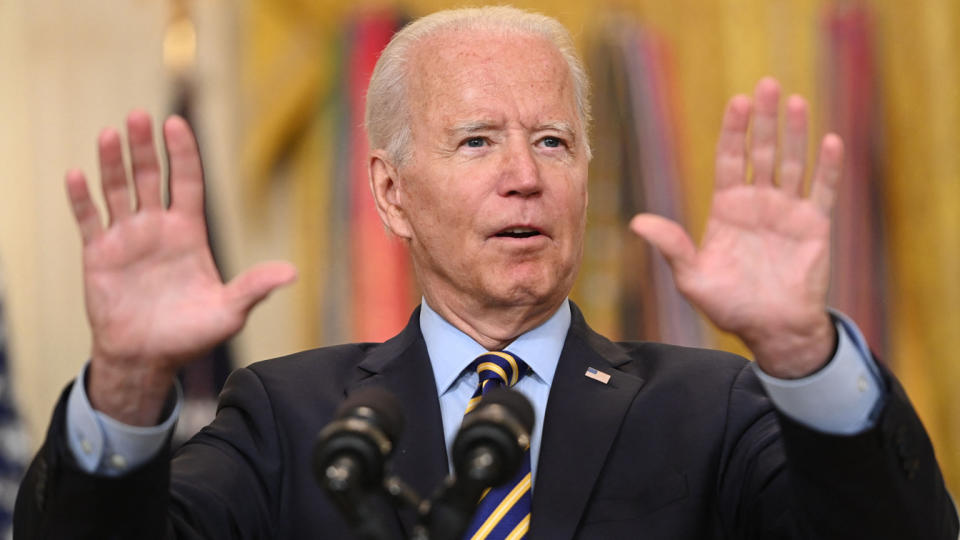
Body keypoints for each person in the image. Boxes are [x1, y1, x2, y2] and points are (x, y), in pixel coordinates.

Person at [14, 6, 958, 539]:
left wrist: (802, 351)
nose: (524, 175)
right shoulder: (286, 417)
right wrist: (130, 387)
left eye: (554, 140)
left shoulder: (717, 410)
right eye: (476, 141)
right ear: (391, 194)